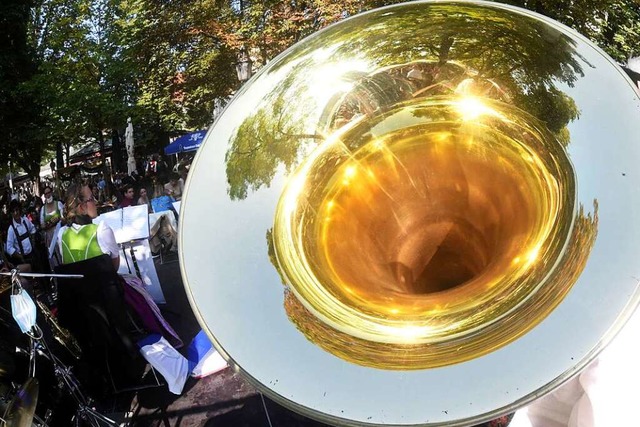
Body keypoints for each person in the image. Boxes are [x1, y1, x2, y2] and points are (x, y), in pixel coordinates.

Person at [56, 182, 182, 347]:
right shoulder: (101, 229)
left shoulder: (61, 234)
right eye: (92, 199)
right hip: (107, 299)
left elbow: (69, 267)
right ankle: (150, 330)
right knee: (138, 288)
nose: (96, 202)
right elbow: (113, 267)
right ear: (81, 207)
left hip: (81, 303)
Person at [6, 200, 37, 270]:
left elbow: (32, 229)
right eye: (13, 211)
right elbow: (9, 248)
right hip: (23, 260)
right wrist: (19, 256)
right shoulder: (11, 229)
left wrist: (33, 241)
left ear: (19, 210)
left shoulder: (25, 220)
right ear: (11, 213)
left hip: (33, 255)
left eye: (17, 210)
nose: (16, 213)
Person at [40, 186, 64, 260]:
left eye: (49, 192)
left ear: (52, 192)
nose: (48, 195)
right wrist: (49, 223)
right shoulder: (43, 209)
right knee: (54, 258)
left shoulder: (59, 204)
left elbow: (64, 218)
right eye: (46, 193)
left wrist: (58, 218)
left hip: (60, 234)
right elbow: (42, 225)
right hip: (50, 238)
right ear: (44, 195)